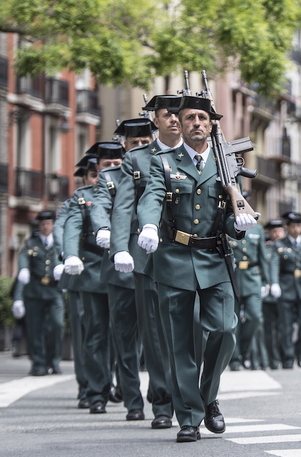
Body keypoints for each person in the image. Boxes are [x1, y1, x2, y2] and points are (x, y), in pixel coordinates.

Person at [136, 94, 257, 442]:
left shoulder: (225, 164)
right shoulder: (163, 162)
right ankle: (189, 416)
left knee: (224, 329)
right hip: (174, 258)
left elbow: (235, 213)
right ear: (181, 123)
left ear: (212, 125)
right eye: (190, 118)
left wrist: (240, 225)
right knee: (180, 343)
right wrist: (147, 226)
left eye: (203, 119)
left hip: (215, 258)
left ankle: (207, 396)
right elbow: (152, 198)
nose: (196, 124)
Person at [107, 95, 183, 429]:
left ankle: (196, 396)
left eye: (181, 114)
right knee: (154, 335)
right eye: (169, 114)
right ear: (156, 120)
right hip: (147, 254)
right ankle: (163, 401)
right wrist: (119, 247)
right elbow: (123, 205)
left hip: (189, 253)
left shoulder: (198, 152)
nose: (177, 120)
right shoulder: (137, 159)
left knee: (193, 331)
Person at [90, 117, 158, 423]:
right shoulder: (110, 177)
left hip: (153, 262)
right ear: (124, 147)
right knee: (124, 339)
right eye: (135, 144)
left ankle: (161, 400)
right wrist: (103, 230)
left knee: (157, 339)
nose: (142, 149)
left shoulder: (162, 168)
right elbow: (100, 205)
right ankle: (133, 401)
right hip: (121, 265)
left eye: (146, 143)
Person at [63, 142, 124, 414]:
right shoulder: (82, 197)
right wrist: (68, 255)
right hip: (93, 271)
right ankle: (96, 390)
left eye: (116, 163)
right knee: (96, 333)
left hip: (125, 268)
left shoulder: (134, 187)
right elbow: (69, 228)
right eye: (106, 165)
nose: (111, 169)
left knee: (126, 334)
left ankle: (124, 386)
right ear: (96, 167)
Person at [53, 155, 99, 407]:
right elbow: (61, 229)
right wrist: (67, 255)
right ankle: (87, 385)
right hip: (82, 273)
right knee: (84, 333)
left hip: (111, 272)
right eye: (93, 175)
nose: (98, 179)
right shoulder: (76, 200)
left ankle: (107, 381)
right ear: (84, 179)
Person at [15, 210, 64, 377]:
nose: (45, 226)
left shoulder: (59, 243)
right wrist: (23, 269)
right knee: (35, 329)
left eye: (48, 223)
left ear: (53, 224)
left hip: (54, 290)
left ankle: (54, 361)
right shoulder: (30, 243)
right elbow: (22, 258)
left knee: (57, 325)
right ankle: (38, 364)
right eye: (42, 224)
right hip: (34, 291)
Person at [269, 212, 301, 369]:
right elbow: (274, 264)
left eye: (299, 226)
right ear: (288, 227)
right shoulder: (279, 245)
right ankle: (288, 357)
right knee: (286, 326)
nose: (297, 229)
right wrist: (274, 283)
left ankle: (299, 351)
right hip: (286, 288)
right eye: (293, 226)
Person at [228, 195, 269, 371]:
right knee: (233, 321)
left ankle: (244, 351)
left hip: (252, 278)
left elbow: (263, 256)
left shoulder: (257, 229)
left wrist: (267, 281)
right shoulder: (226, 224)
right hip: (233, 277)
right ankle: (235, 359)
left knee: (254, 317)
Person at [262, 220, 285, 369]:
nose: (277, 233)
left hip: (287, 294)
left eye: (279, 230)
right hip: (270, 295)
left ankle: (286, 356)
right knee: (270, 329)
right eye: (273, 231)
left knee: (285, 328)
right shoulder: (267, 248)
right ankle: (273, 359)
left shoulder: (290, 247)